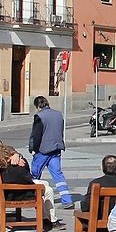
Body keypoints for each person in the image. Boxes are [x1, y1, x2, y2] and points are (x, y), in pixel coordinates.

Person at [27, 95, 75, 223]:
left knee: (34, 174)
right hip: (56, 147)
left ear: (38, 106)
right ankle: (67, 200)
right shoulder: (58, 114)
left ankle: (31, 197)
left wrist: (33, 148)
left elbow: (36, 135)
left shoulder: (39, 117)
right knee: (58, 175)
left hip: (43, 149)